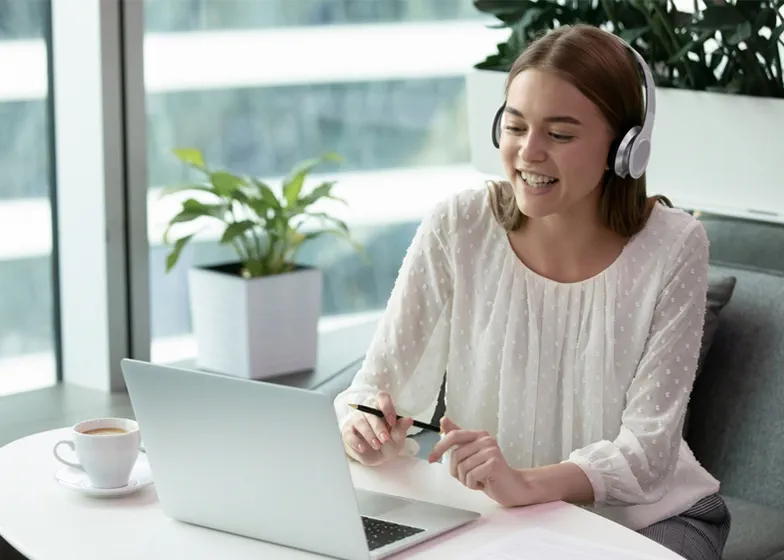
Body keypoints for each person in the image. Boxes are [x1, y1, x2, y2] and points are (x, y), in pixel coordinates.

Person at [333, 23, 730, 560]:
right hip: (498, 519)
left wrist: (526, 483)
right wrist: (363, 424)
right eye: (515, 127)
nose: (528, 152)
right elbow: (372, 388)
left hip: (644, 521)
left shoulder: (675, 244)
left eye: (560, 135)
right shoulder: (459, 224)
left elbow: (648, 454)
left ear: (625, 148)